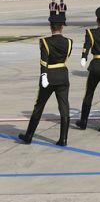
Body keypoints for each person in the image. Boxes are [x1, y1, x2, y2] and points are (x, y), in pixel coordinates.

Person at [18, 12, 72, 146]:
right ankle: (63, 139)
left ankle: (29, 136)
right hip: (63, 76)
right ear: (62, 27)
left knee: (39, 106)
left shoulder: (45, 42)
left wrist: (43, 76)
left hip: (49, 76)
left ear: (50, 27)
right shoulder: (69, 42)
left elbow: (43, 61)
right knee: (64, 106)